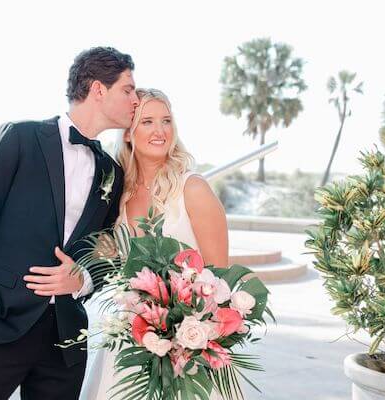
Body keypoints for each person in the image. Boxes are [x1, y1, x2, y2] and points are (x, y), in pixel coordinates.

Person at [0, 46, 139, 400]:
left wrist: (82, 279)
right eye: (127, 89)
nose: (134, 100)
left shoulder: (111, 173)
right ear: (99, 89)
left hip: (66, 339)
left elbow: (107, 250)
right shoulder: (20, 139)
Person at [86, 88, 229, 400]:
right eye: (147, 121)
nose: (160, 130)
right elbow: (102, 261)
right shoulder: (116, 196)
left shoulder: (193, 188)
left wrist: (187, 333)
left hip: (189, 346)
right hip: (128, 343)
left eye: (166, 120)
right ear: (127, 132)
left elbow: (221, 280)